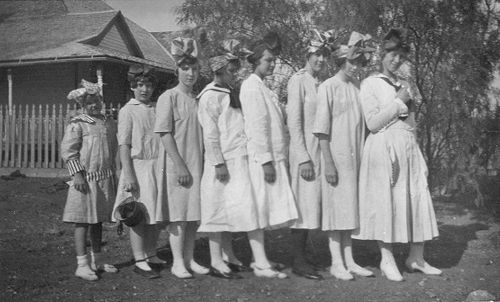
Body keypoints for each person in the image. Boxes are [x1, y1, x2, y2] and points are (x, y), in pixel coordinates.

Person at [353, 28, 441, 281]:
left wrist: (417, 151)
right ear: (382, 55)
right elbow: (372, 123)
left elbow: (411, 122)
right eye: (392, 55)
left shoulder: (404, 85)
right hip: (384, 147)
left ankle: (416, 257)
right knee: (387, 201)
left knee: (417, 198)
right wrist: (398, 102)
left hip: (407, 146)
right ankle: (387, 259)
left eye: (400, 56)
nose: (396, 60)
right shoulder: (370, 83)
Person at [313, 32, 375, 280]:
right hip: (336, 157)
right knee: (335, 209)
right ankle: (336, 261)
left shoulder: (357, 87)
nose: (354, 67)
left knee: (350, 208)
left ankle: (350, 259)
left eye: (358, 63)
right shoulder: (328, 86)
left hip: (354, 157)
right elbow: (321, 129)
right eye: (350, 62)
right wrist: (328, 162)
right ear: (340, 61)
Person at [197, 39, 260, 279]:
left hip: (237, 159)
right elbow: (210, 135)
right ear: (220, 72)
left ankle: (229, 254)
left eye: (236, 69)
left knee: (230, 210)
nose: (236, 74)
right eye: (232, 70)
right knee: (217, 209)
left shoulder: (230, 93)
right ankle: (215, 260)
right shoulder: (210, 96)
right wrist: (218, 163)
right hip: (221, 163)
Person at [240, 32, 299, 279]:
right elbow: (257, 126)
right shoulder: (251, 86)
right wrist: (265, 161)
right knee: (259, 208)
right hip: (261, 158)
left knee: (266, 210)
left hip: (273, 156)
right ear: (255, 61)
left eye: (274, 60)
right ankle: (259, 261)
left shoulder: (264, 87)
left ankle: (261, 258)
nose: (272, 64)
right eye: (267, 60)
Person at [154, 37, 209, 279]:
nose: (190, 73)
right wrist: (179, 165)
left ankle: (189, 258)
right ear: (177, 69)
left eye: (195, 69)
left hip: (198, 163)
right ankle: (177, 262)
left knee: (193, 215)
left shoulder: (197, 99)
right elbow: (164, 134)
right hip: (178, 164)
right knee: (178, 215)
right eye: (185, 68)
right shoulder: (169, 97)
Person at [286, 29, 335, 280]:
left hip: (319, 151)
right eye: (316, 54)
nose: (320, 60)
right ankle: (297, 260)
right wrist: (303, 156)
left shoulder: (321, 83)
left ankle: (304, 256)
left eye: (324, 55)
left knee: (312, 204)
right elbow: (293, 122)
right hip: (303, 152)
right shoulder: (298, 80)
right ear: (307, 54)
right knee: (303, 205)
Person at [112, 65, 167, 279]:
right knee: (138, 214)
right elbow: (124, 145)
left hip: (157, 166)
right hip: (138, 167)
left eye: (149, 85)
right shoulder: (128, 110)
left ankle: (151, 253)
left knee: (154, 214)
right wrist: (129, 174)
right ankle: (139, 259)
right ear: (133, 86)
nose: (145, 89)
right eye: (140, 85)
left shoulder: (156, 108)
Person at [61, 80, 118, 281]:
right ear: (82, 104)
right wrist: (77, 175)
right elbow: (69, 152)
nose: (94, 105)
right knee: (82, 221)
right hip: (85, 180)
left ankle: (97, 260)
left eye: (96, 101)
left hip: (103, 179)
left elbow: (112, 149)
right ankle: (82, 264)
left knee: (98, 221)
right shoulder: (78, 123)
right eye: (89, 102)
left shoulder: (107, 122)